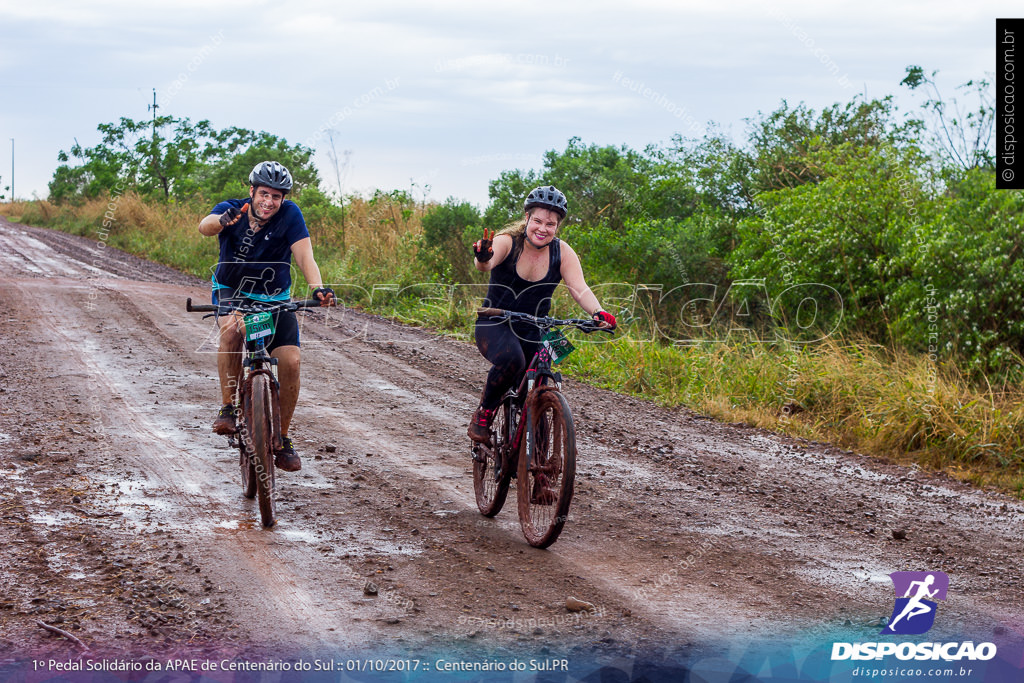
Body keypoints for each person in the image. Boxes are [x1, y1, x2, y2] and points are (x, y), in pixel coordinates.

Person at [198, 160, 335, 471]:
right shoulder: (233, 210)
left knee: (291, 361)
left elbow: (304, 255)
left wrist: (318, 288)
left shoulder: (290, 215)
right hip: (232, 290)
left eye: (276, 196)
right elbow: (204, 226)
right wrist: (222, 220)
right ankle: (229, 409)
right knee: (232, 330)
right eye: (264, 194)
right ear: (252, 192)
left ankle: (283, 439)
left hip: (275, 298)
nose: (269, 202)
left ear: (283, 198)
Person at [468, 185, 616, 444]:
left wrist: (598, 311)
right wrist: (483, 257)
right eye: (537, 221)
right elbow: (486, 264)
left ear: (557, 226)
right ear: (527, 218)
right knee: (513, 360)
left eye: (551, 224)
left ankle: (540, 424)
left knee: (552, 362)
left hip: (537, 325)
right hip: (495, 321)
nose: (542, 228)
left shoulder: (562, 252)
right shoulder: (507, 241)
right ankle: (484, 412)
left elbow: (579, 288)